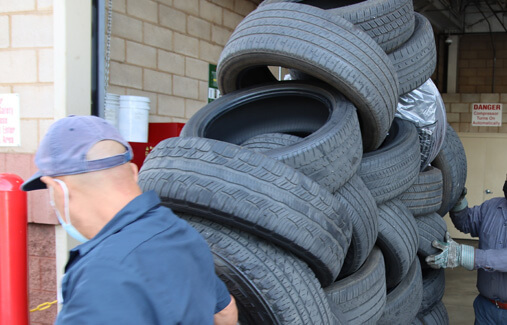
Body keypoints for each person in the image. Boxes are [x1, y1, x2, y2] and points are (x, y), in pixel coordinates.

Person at [22, 115, 238, 324]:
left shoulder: (102, 275)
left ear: (58, 190)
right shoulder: (182, 233)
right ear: (134, 172)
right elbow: (226, 312)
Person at [426, 181, 507, 324]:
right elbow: (466, 222)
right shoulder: (491, 207)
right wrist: (458, 202)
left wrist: (465, 255)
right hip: (485, 308)